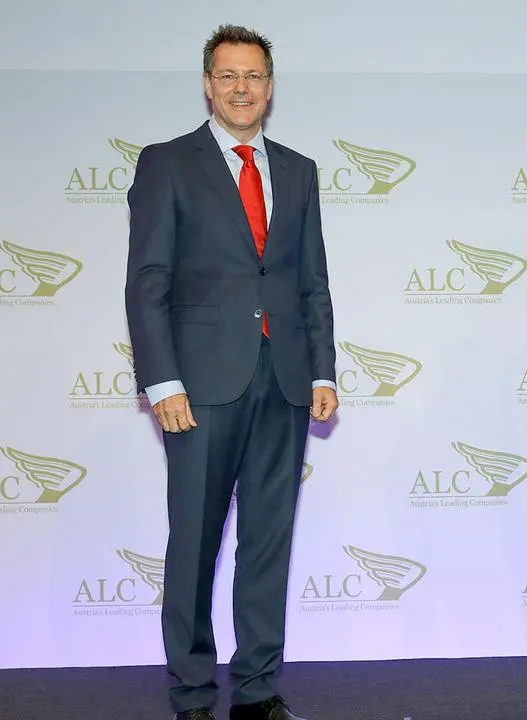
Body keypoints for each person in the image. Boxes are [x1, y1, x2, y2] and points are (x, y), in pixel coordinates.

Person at [124, 24, 337, 720]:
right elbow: (147, 281)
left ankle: (256, 692)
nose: (242, 88)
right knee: (194, 543)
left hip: (285, 382)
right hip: (200, 387)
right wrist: (162, 380)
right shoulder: (167, 163)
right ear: (208, 84)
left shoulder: (299, 169)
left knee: (268, 543)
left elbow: (312, 283)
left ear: (270, 87)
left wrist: (324, 372)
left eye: (254, 76)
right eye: (228, 75)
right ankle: (190, 694)